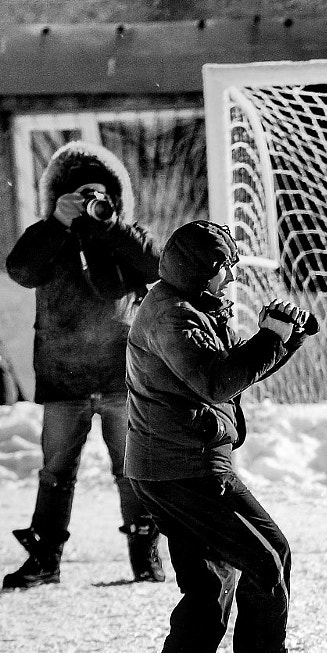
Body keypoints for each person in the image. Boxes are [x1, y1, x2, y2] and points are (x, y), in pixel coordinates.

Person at [125, 220, 320, 653]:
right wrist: (270, 336)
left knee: (213, 577)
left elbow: (227, 374)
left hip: (172, 465)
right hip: (184, 468)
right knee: (268, 555)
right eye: (225, 268)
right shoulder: (174, 317)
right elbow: (215, 381)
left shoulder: (186, 307)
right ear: (202, 270)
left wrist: (284, 338)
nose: (232, 277)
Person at [3, 142, 167, 590]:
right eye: (77, 195)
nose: (89, 202)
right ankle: (44, 561)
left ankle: (145, 557)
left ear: (115, 197)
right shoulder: (48, 235)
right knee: (55, 471)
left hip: (120, 374)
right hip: (63, 377)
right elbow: (20, 270)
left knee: (132, 468)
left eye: (99, 195)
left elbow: (156, 266)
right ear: (59, 197)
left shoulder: (126, 232)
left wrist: (110, 227)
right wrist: (59, 223)